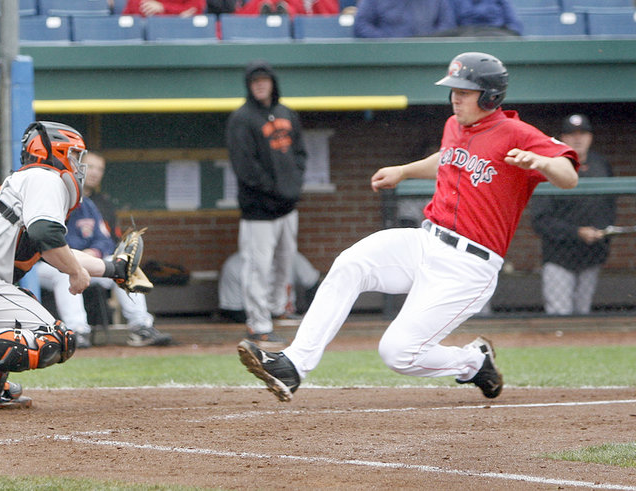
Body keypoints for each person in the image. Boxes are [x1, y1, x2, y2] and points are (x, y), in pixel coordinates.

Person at [237, 52, 579, 403]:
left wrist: (542, 162)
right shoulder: (454, 126)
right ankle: (293, 365)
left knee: (397, 352)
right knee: (352, 263)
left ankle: (472, 362)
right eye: (453, 90)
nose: (455, 98)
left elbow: (568, 175)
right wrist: (404, 170)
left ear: (490, 96)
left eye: (464, 91)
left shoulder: (517, 133)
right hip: (426, 241)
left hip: (469, 266)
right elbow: (447, 158)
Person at [0, 121, 146, 412]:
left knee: (20, 317)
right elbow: (46, 235)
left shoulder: (31, 182)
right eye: (73, 154)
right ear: (54, 151)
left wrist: (113, 269)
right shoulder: (45, 177)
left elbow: (54, 249)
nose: (78, 164)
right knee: (52, 338)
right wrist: (75, 273)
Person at [35, 151, 172, 347]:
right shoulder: (52, 200)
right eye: (90, 167)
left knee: (125, 267)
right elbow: (50, 242)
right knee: (66, 272)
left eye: (100, 169)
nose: (94, 173)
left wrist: (94, 254)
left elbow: (105, 240)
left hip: (84, 262)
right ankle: (77, 331)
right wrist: (77, 259)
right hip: (48, 265)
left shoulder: (88, 204)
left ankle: (141, 326)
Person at [226, 60, 308, 349]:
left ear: (273, 82)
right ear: (249, 86)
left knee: (285, 263)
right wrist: (275, 191)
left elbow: (300, 154)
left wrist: (293, 187)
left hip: (287, 207)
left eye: (265, 80)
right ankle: (259, 324)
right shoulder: (242, 118)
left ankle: (277, 310)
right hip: (258, 210)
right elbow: (245, 167)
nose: (261, 85)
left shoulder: (286, 113)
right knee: (257, 267)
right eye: (255, 81)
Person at [531, 114, 616, 316]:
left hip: (592, 255)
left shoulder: (601, 166)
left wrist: (602, 233)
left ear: (590, 137)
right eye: (572, 134)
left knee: (583, 313)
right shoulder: (552, 166)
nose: (578, 139)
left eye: (583, 133)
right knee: (560, 313)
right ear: (563, 138)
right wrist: (577, 232)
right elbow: (540, 220)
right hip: (558, 256)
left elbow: (609, 207)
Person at [218, 251, 322, 323]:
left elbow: (313, 283)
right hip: (252, 325)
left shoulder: (290, 256)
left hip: (289, 321)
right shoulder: (235, 264)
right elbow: (232, 311)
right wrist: (265, 320)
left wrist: (310, 315)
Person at [354, 0, 456, 38]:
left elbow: (447, 24)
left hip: (428, 54)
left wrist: (430, 41)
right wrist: (386, 40)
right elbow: (361, 25)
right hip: (386, 57)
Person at [438, 0, 523, 37]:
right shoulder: (454, 2)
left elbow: (514, 24)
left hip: (497, 35)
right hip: (465, 36)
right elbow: (449, 25)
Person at [121, 0, 205, 16]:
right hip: (149, 41)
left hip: (182, 33)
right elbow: (133, 10)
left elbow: (195, 9)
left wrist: (163, 8)